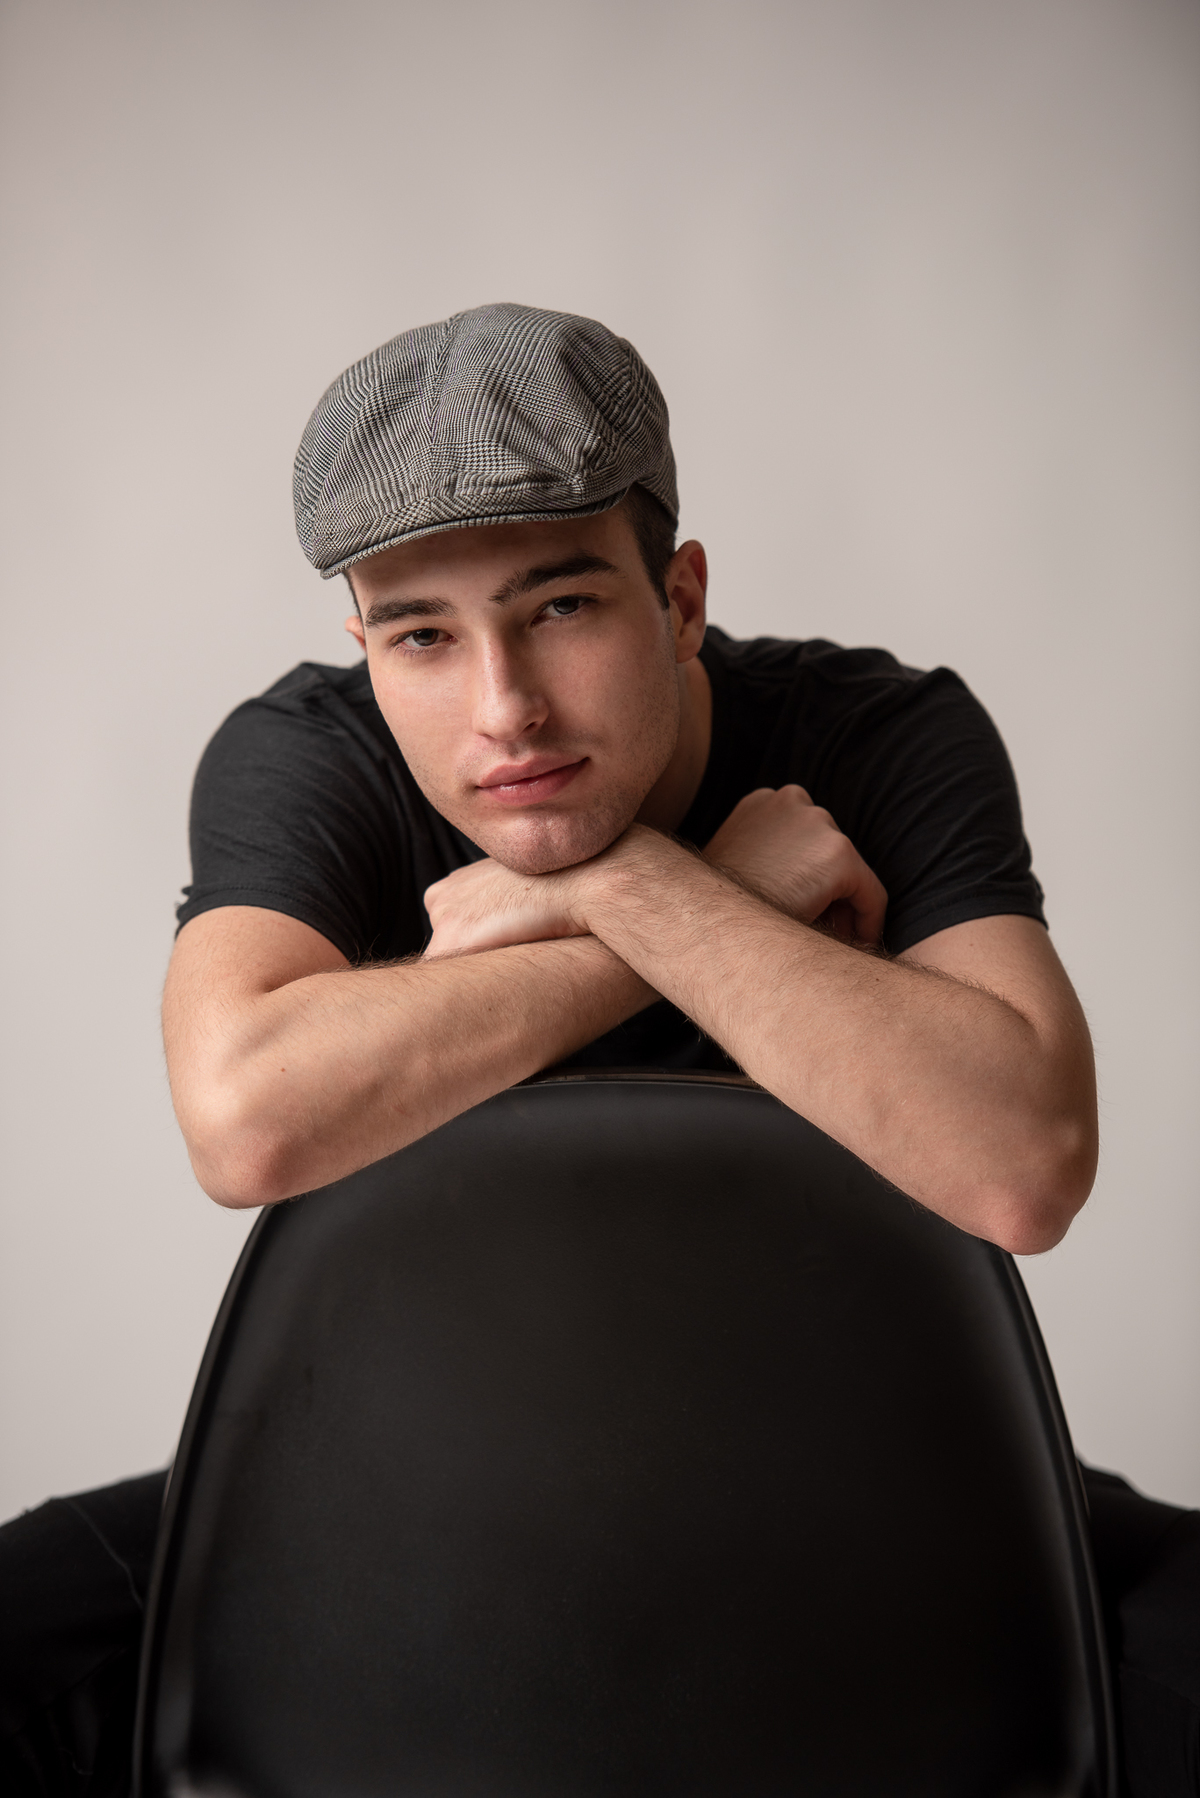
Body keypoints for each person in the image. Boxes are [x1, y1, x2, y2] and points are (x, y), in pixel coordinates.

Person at [1, 303, 1195, 1795]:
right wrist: (711, 897)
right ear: (362, 645)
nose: (504, 710)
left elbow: (1024, 1159)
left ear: (680, 598)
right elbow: (244, 1115)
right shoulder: (309, 756)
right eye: (422, 636)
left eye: (561, 606)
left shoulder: (882, 735)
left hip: (875, 1475)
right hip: (391, 1492)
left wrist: (624, 886)